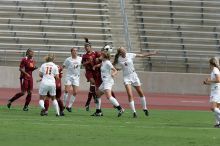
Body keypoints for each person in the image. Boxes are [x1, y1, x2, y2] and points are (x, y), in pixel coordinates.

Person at [113, 47, 157, 118]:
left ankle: (145, 108)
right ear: (120, 53)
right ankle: (134, 112)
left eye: (124, 49)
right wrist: (116, 69)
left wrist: (152, 53)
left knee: (140, 92)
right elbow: (112, 64)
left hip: (134, 75)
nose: (124, 50)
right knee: (130, 95)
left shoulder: (130, 55)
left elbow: (141, 55)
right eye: (122, 50)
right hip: (126, 77)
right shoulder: (118, 58)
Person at [92, 50, 124, 117]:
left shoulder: (108, 63)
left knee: (108, 96)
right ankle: (98, 112)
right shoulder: (103, 62)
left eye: (101, 55)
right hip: (104, 82)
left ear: (104, 56)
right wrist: (95, 66)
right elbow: (100, 64)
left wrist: (113, 74)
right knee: (97, 95)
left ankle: (120, 109)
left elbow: (115, 70)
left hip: (108, 81)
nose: (100, 56)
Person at [82, 38, 100, 111]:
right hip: (89, 72)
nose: (87, 48)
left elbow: (101, 59)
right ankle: (95, 97)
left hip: (96, 71)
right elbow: (83, 64)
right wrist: (88, 62)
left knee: (91, 89)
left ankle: (87, 103)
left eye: (88, 46)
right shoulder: (84, 56)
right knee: (92, 82)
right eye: (85, 47)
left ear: (90, 47)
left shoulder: (95, 53)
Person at [63, 48, 82, 112]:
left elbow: (84, 63)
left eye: (76, 51)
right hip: (69, 76)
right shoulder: (68, 59)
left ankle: (69, 106)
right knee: (66, 91)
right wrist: (60, 71)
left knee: (75, 92)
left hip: (76, 77)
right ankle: (63, 105)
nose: (75, 52)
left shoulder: (80, 58)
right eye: (74, 51)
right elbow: (63, 66)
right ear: (71, 52)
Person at [203, 57, 220, 128]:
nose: (208, 65)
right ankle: (217, 123)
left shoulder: (215, 69)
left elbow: (218, 80)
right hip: (216, 89)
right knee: (217, 108)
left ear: (211, 64)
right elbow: (215, 81)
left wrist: (209, 81)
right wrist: (207, 82)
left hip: (216, 91)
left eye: (209, 64)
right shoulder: (215, 70)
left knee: (213, 108)